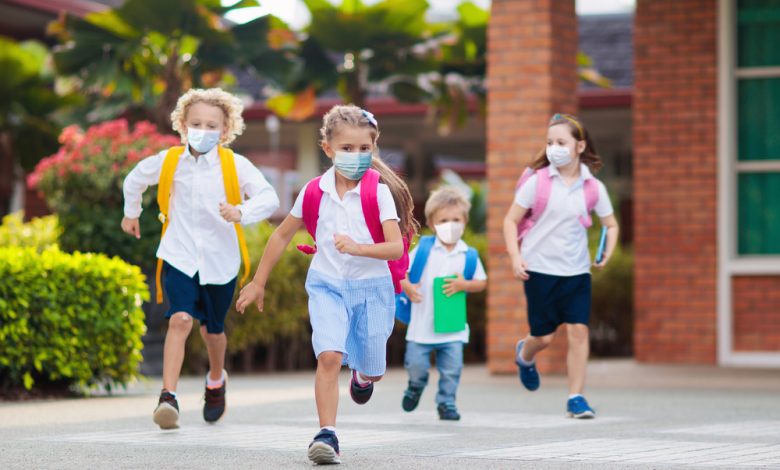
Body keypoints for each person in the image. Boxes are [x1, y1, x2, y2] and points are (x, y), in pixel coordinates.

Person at [236, 104, 418, 465]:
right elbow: (281, 235)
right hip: (327, 285)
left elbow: (396, 246)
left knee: (374, 367)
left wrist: (359, 248)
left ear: (374, 148)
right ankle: (327, 435)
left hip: (373, 289)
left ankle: (363, 378)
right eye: (347, 149)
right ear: (328, 149)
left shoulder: (378, 192)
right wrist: (258, 282)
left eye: (364, 149)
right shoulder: (313, 191)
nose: (356, 156)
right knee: (329, 355)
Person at [121, 88, 280, 430]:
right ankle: (168, 397)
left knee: (213, 331)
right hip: (178, 254)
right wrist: (130, 213)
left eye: (212, 125)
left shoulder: (235, 165)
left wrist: (241, 211)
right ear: (182, 125)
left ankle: (216, 379)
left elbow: (269, 197)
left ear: (225, 131)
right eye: (196, 123)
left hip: (220, 261)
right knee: (179, 319)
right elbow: (134, 179)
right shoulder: (169, 161)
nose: (203, 130)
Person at [502, 113, 619, 419]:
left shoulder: (593, 186)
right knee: (544, 338)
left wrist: (607, 250)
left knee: (579, 331)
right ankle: (525, 355)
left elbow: (611, 224)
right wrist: (516, 257)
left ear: (579, 146)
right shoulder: (538, 182)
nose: (554, 147)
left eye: (561, 142)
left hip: (577, 271)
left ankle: (576, 397)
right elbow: (510, 220)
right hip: (539, 269)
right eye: (550, 142)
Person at [400, 186, 487, 421]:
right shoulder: (424, 249)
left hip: (453, 326)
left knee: (452, 370)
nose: (451, 224)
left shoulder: (468, 254)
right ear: (432, 222)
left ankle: (446, 402)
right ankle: (416, 386)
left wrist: (465, 285)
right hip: (421, 326)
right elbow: (401, 272)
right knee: (416, 365)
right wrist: (407, 287)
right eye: (444, 220)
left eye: (456, 219)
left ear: (465, 221)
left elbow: (481, 282)